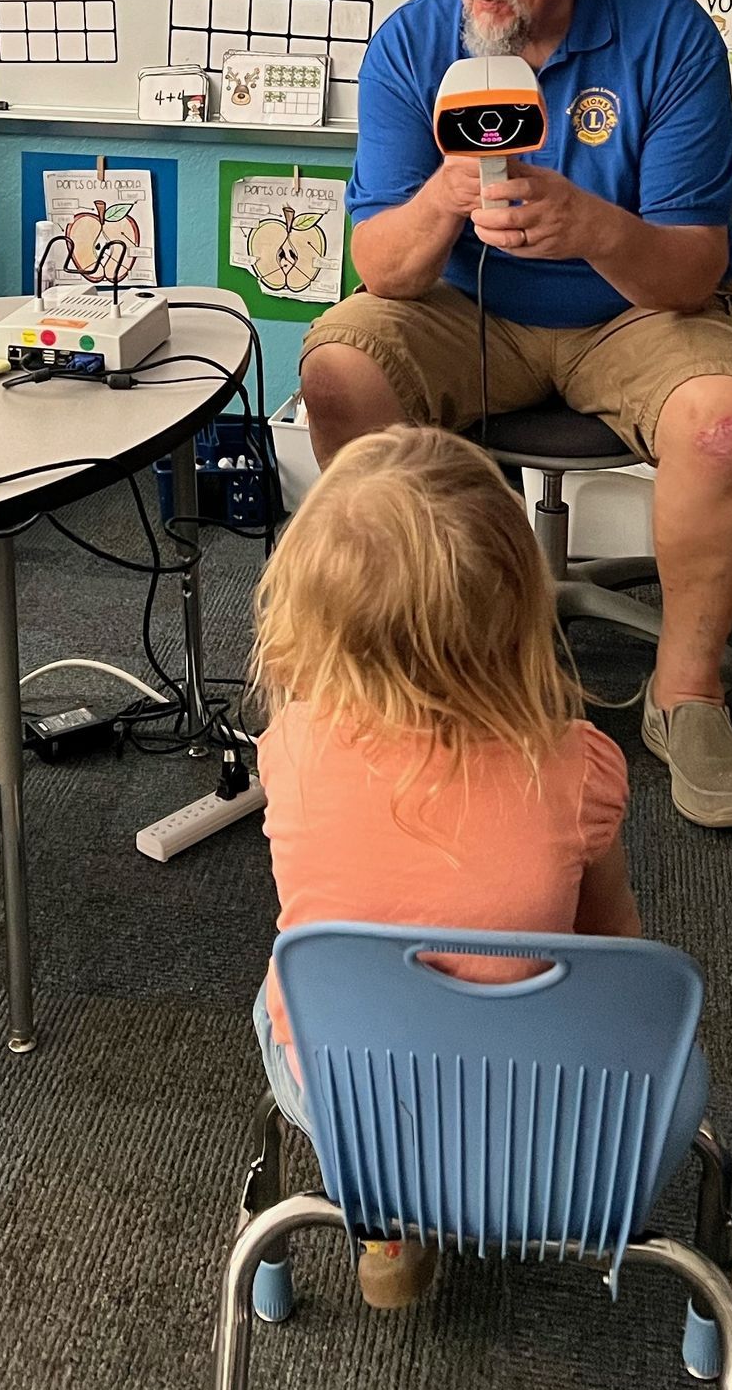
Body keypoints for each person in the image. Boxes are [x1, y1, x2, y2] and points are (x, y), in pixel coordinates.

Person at [299, 0, 732, 830]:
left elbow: (695, 267)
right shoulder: (414, 41)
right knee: (341, 368)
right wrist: (445, 193)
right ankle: (409, 665)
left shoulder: (671, 34)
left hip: (636, 310)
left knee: (729, 419)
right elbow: (378, 269)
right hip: (469, 308)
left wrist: (592, 225)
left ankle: (686, 696)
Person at [248, 427, 651, 1309]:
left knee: (300, 978)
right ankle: (537, 1192)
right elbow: (615, 952)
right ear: (520, 605)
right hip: (537, 1104)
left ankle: (387, 1217)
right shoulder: (576, 763)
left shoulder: (291, 750)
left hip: (343, 1094)